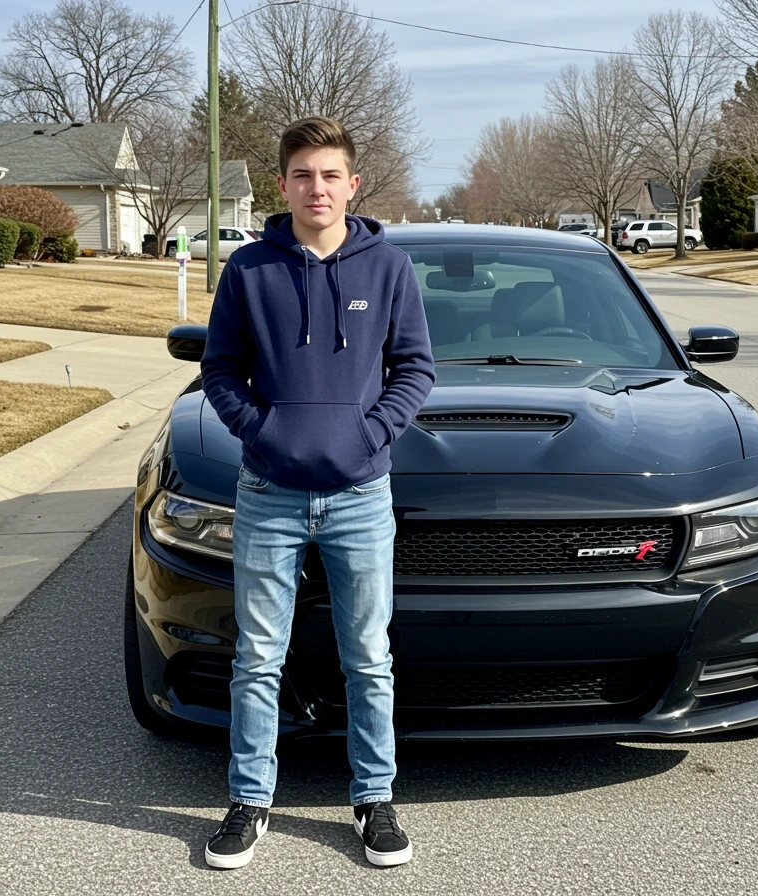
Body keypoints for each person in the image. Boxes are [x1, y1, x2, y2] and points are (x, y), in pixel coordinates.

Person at [198, 116, 435, 869]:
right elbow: (219, 371)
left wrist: (371, 436)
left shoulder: (388, 268)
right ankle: (249, 801)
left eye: (330, 174)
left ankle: (374, 801)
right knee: (258, 658)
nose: (317, 187)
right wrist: (262, 435)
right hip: (268, 490)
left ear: (353, 184)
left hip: (361, 495)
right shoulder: (249, 270)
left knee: (367, 657)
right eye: (303, 174)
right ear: (283, 185)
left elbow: (416, 370)